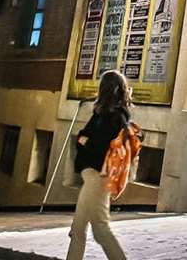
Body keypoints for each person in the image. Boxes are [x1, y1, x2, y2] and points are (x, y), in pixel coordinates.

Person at [68, 70, 134, 260]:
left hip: (98, 175)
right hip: (93, 175)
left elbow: (93, 144)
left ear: (104, 89)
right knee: (79, 227)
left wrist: (84, 142)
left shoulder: (113, 117)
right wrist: (84, 140)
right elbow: (83, 135)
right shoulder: (104, 114)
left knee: (100, 228)